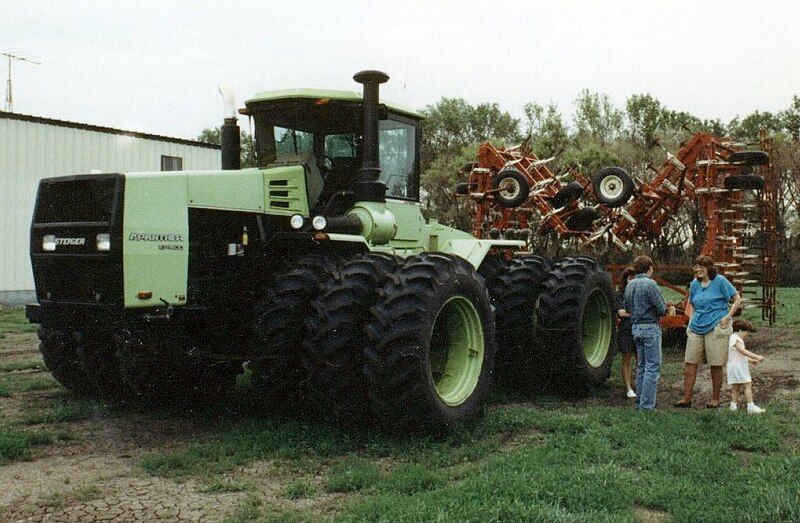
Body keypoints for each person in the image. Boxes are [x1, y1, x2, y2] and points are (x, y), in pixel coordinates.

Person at [675, 255, 742, 409]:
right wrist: (691, 321)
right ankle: (686, 398)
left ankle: (715, 398)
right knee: (689, 363)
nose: (698, 269)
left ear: (709, 268)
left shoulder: (720, 281)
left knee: (715, 363)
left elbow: (737, 299)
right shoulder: (694, 284)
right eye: (696, 266)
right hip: (696, 327)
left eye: (701, 266)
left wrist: (728, 317)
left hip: (716, 327)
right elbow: (691, 305)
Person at [624, 255, 667, 411]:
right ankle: (647, 406)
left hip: (635, 327)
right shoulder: (651, 284)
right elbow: (661, 308)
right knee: (652, 367)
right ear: (649, 267)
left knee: (642, 366)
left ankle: (639, 402)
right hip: (650, 327)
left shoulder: (630, 285)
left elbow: (627, 308)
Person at [728, 319, 766, 414]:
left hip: (734, 366)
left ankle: (733, 406)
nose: (747, 334)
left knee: (736, 387)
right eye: (746, 332)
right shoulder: (735, 338)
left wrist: (750, 360)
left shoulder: (733, 338)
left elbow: (738, 354)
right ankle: (751, 406)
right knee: (747, 384)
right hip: (738, 367)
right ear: (740, 330)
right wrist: (756, 356)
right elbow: (743, 351)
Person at [616, 267, 637, 398]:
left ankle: (639, 385)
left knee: (640, 359)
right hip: (626, 329)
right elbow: (621, 313)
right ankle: (628, 388)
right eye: (630, 278)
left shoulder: (639, 293)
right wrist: (634, 314)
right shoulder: (619, 295)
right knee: (627, 359)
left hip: (638, 328)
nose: (632, 281)